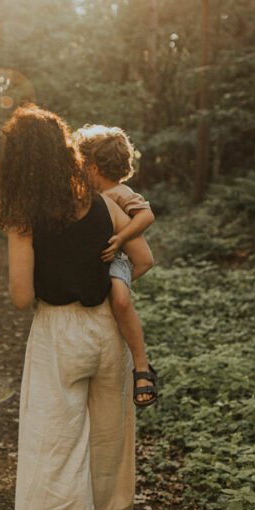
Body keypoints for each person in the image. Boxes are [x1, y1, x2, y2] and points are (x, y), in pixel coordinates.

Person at [0, 104, 154, 510]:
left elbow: (20, 298)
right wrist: (107, 273)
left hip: (59, 332)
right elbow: (141, 258)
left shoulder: (24, 216)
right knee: (108, 433)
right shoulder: (104, 200)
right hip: (106, 328)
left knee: (55, 443)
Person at [76, 125, 157, 408]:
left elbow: (147, 215)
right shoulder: (87, 194)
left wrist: (122, 237)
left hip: (118, 259)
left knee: (121, 301)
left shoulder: (120, 192)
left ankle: (142, 366)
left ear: (94, 167)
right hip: (98, 262)